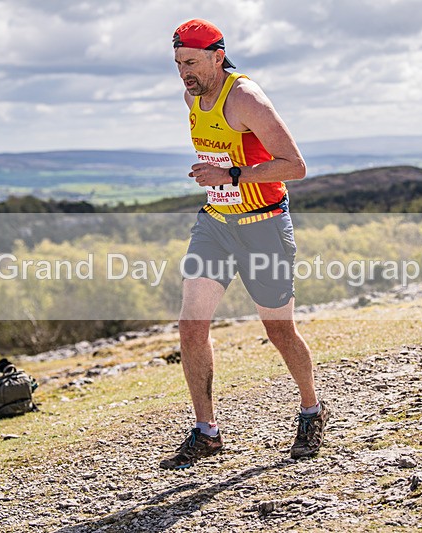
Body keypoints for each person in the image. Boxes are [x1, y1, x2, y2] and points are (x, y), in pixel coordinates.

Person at [160, 19, 328, 470]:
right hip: (216, 223)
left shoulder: (246, 98)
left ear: (218, 55)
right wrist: (219, 180)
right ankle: (206, 431)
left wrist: (231, 175)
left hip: (263, 225)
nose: (184, 73)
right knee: (191, 326)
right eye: (178, 63)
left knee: (278, 330)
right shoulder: (192, 95)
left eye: (191, 62)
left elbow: (295, 166)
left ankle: (312, 410)